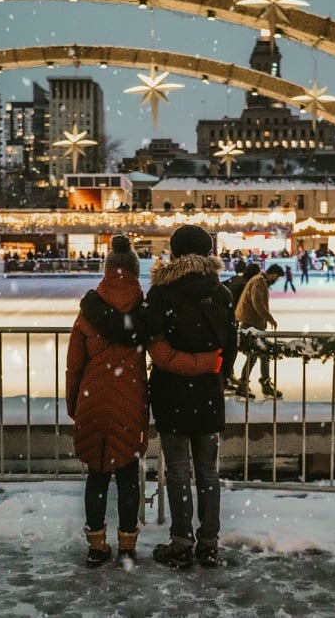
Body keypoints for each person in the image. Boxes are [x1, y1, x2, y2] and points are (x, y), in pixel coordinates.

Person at [65, 234, 222, 569]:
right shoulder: (155, 305)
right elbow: (164, 353)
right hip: (145, 400)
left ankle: (98, 545)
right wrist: (213, 365)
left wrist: (73, 404)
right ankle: (136, 544)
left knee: (99, 475)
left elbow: (74, 365)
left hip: (104, 401)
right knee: (136, 475)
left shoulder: (101, 312)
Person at [142, 225, 238, 569]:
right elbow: (230, 346)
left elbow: (148, 335)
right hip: (209, 393)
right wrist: (215, 374)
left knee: (179, 472)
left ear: (175, 252)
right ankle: (209, 542)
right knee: (208, 473)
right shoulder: (221, 293)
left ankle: (181, 542)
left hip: (172, 391)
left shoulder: (162, 292)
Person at [235, 263, 285, 400]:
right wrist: (269, 318)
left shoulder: (258, 280)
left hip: (253, 324)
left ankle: (259, 383)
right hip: (251, 325)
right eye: (277, 277)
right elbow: (257, 302)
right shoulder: (259, 281)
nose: (276, 280)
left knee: (261, 355)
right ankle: (246, 384)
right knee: (255, 355)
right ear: (273, 274)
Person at [222, 262, 261, 392]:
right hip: (229, 319)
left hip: (225, 317)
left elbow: (221, 286)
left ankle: (228, 376)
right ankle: (227, 377)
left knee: (228, 349)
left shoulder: (236, 279)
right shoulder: (245, 284)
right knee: (231, 349)